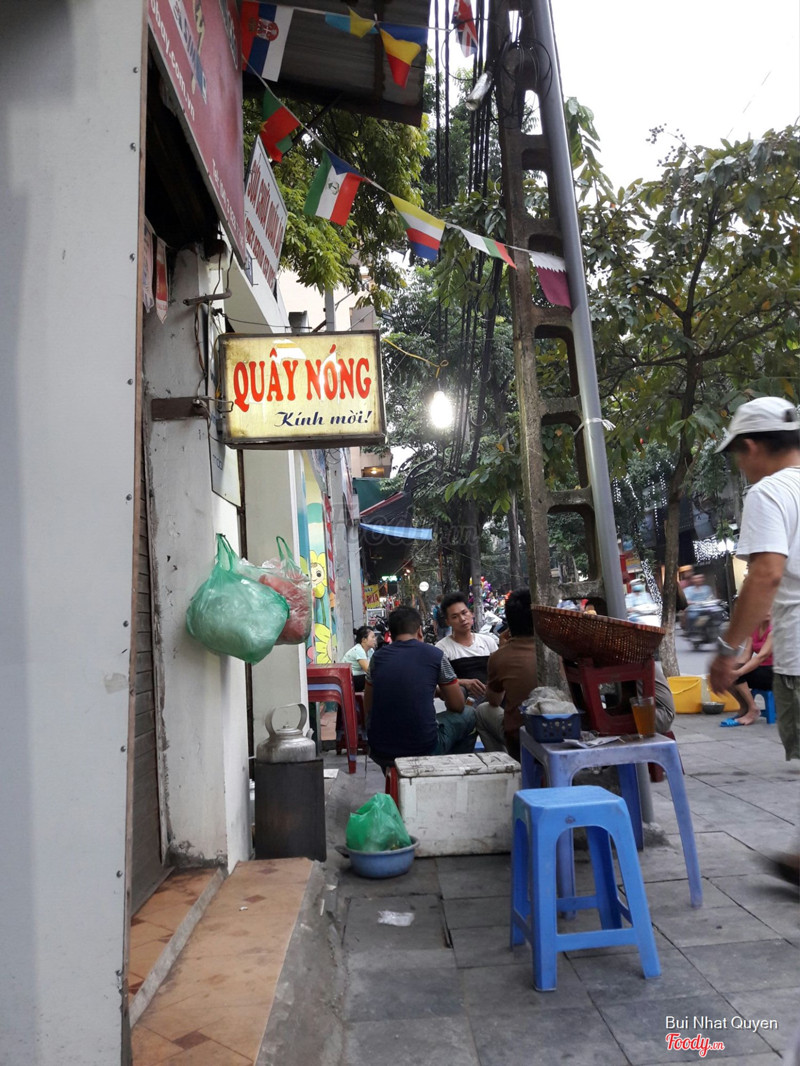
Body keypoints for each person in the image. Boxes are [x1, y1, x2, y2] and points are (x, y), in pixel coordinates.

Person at [708, 396, 800, 885]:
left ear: (751, 446)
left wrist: (727, 652)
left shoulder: (769, 492)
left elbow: (765, 575)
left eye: (737, 456)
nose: (740, 467)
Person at [364, 605, 476, 764]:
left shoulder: (377, 658)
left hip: (380, 750)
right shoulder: (435, 655)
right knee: (470, 714)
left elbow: (369, 706)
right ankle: (453, 769)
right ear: (420, 631)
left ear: (392, 634)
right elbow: (457, 705)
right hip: (424, 748)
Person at [473, 589, 538, 760]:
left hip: (519, 736)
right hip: (563, 728)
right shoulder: (557, 648)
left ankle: (506, 762)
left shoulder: (500, 656)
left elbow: (494, 700)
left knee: (482, 710)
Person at [435, 591, 500, 700]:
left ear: (471, 613)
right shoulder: (442, 648)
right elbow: (439, 683)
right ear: (448, 622)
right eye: (455, 616)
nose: (462, 619)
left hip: (492, 701)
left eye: (464, 613)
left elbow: (499, 673)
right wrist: (463, 682)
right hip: (462, 705)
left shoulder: (488, 642)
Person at [719, 616, 774, 726]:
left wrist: (739, 672)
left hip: (774, 672)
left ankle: (753, 709)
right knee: (723, 675)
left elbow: (761, 656)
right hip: (760, 668)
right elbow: (745, 657)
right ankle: (744, 707)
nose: (767, 612)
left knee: (738, 676)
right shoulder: (754, 630)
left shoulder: (774, 631)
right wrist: (727, 668)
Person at [341, 626, 376, 693]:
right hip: (349, 680)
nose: (375, 639)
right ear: (364, 640)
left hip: (358, 678)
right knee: (374, 679)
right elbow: (368, 670)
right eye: (372, 637)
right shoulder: (358, 650)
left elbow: (375, 666)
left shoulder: (370, 650)